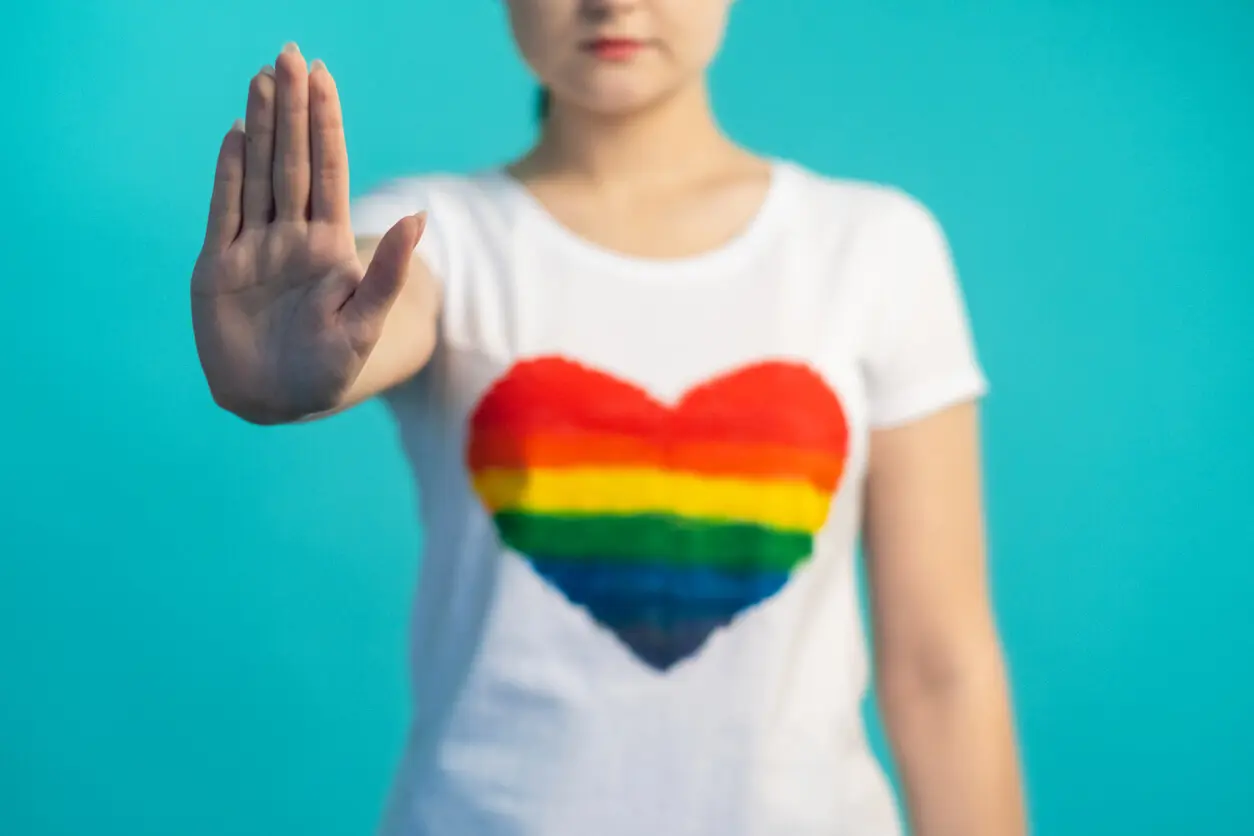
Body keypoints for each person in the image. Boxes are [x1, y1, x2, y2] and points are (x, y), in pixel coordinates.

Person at [190, 2, 1027, 833]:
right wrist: (280, 369)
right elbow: (371, 306)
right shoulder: (436, 235)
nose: (612, 3)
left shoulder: (874, 247)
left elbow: (941, 667)